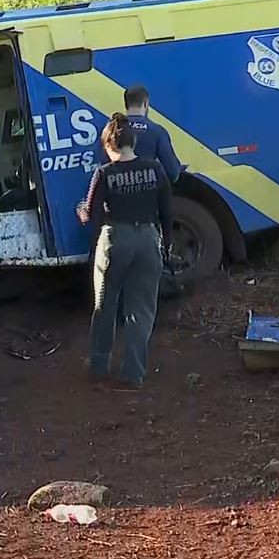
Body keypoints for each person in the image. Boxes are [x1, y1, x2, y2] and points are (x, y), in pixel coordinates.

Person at [77, 113, 174, 390]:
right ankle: (133, 374)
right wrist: (166, 245)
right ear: (134, 142)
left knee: (105, 305)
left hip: (115, 239)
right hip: (148, 238)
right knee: (141, 310)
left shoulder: (104, 173)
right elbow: (167, 211)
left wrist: (80, 211)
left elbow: (91, 217)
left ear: (109, 144)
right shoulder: (155, 169)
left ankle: (98, 365)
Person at [97, 86, 181, 183]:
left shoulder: (112, 130)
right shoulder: (157, 131)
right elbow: (173, 173)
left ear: (126, 104)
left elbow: (103, 166)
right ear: (145, 104)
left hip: (117, 194)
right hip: (147, 193)